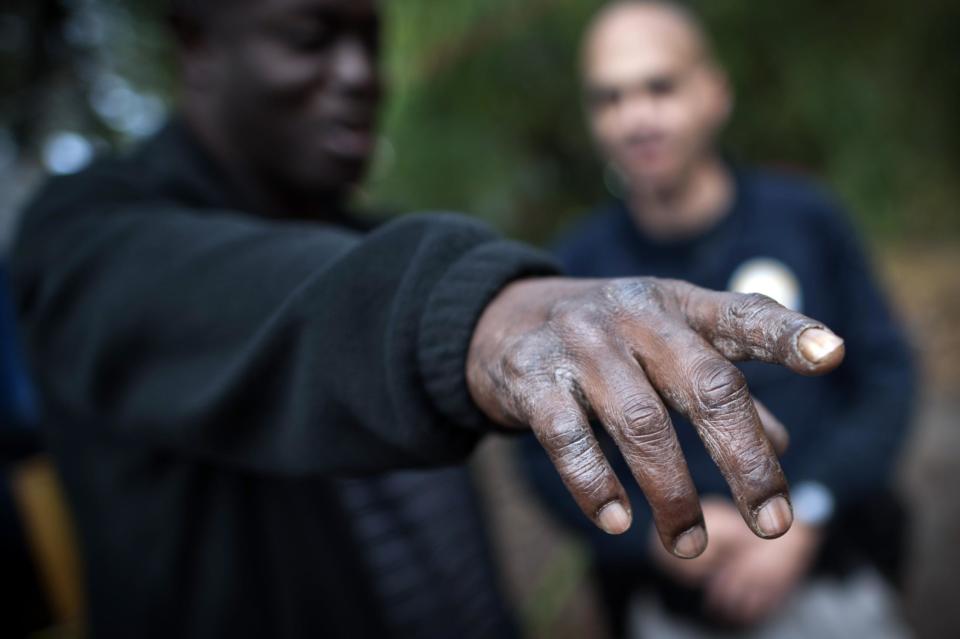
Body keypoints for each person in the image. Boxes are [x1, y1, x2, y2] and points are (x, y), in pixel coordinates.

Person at [11, 0, 846, 637]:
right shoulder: (86, 236)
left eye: (369, 43)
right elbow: (263, 298)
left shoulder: (373, 231)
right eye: (310, 37)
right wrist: (483, 317)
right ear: (196, 45)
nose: (358, 75)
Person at [520, 1, 915, 635]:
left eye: (660, 86)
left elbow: (887, 379)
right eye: (609, 98)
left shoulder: (807, 221)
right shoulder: (574, 267)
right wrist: (654, 536)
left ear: (714, 92)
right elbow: (542, 450)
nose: (636, 117)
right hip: (671, 610)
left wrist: (807, 513)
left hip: (829, 583)